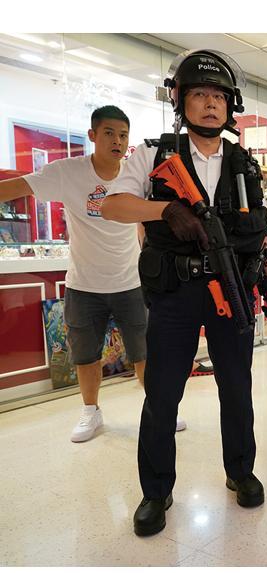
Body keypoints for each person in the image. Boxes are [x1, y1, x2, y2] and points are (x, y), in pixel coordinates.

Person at [101, 49, 267, 536]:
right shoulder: (152, 154)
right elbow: (112, 206)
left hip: (232, 289)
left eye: (218, 96)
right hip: (175, 293)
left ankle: (241, 471)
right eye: (199, 94)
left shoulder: (245, 163)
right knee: (163, 394)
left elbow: (260, 231)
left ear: (231, 105)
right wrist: (163, 211)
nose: (210, 103)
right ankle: (155, 492)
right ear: (180, 101)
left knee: (237, 387)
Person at [0, 106, 187, 442]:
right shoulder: (68, 172)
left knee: (145, 352)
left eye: (123, 135)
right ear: (92, 135)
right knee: (86, 355)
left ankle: (159, 410)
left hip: (130, 282)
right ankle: (91, 411)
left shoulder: (135, 175)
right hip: (84, 285)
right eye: (109, 133)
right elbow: (19, 187)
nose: (117, 141)